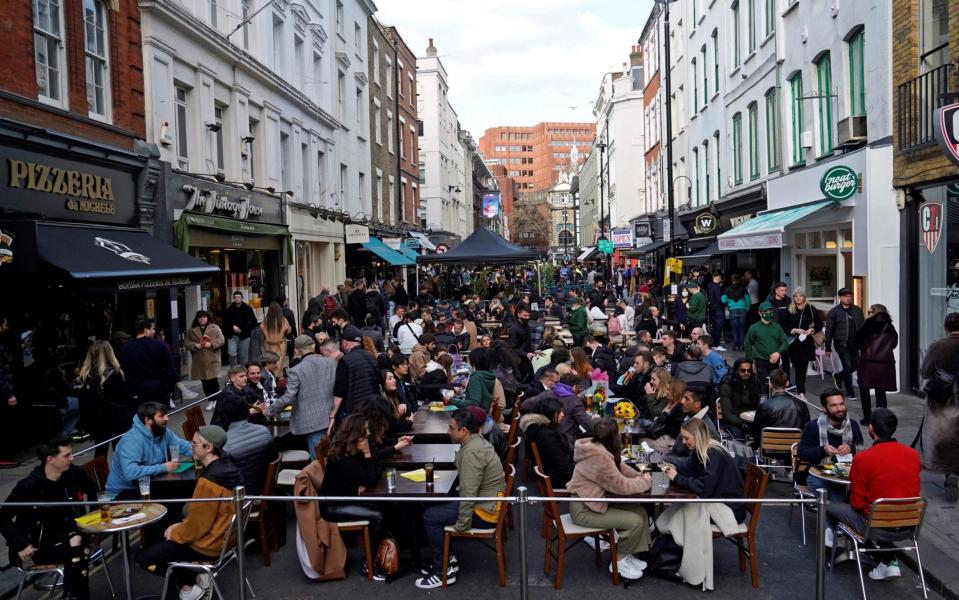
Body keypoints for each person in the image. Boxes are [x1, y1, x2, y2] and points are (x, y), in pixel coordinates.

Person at [135, 425, 244, 600]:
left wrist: (175, 532)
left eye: (194, 444)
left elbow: (197, 527)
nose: (190, 445)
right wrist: (181, 526)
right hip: (225, 540)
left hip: (208, 545)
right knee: (163, 540)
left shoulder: (209, 482)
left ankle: (189, 585)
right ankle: (192, 577)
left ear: (208, 448)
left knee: (143, 557)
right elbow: (203, 519)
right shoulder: (230, 469)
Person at [824, 408, 920, 580]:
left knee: (829, 507)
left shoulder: (863, 459)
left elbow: (858, 504)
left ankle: (832, 546)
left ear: (871, 429)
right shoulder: (913, 455)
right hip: (909, 523)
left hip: (875, 524)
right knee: (878, 513)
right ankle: (888, 561)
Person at [417, 409, 506, 589]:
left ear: (464, 431)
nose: (448, 432)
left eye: (451, 428)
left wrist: (462, 525)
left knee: (431, 516)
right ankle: (445, 558)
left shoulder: (471, 453)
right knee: (430, 505)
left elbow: (468, 493)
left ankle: (443, 570)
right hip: (486, 502)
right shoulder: (475, 443)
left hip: (484, 512)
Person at [0, 436, 97, 600]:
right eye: (66, 456)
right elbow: (2, 517)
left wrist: (94, 519)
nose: (72, 458)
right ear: (50, 459)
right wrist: (21, 544)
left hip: (72, 534)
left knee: (78, 543)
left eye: (71, 454)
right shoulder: (28, 486)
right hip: (39, 545)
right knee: (80, 548)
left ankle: (72, 596)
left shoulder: (75, 474)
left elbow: (93, 492)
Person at [660, 419, 746, 590]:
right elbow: (691, 470)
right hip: (724, 501)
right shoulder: (704, 448)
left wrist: (677, 477)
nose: (684, 442)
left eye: (686, 438)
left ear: (697, 436)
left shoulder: (713, 454)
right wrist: (674, 467)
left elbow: (704, 489)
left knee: (686, 511)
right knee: (684, 510)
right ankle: (674, 557)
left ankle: (685, 564)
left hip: (731, 509)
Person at [566, 418, 652, 580]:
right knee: (635, 521)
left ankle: (627, 553)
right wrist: (646, 481)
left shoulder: (598, 447)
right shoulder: (599, 458)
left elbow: (621, 468)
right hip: (584, 510)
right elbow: (622, 486)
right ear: (614, 437)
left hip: (590, 502)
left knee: (640, 511)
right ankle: (618, 561)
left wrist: (640, 475)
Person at [319, 414, 389, 580]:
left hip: (347, 496)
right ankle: (368, 563)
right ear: (355, 436)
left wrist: (365, 476)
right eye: (365, 434)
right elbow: (371, 477)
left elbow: (377, 471)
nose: (368, 436)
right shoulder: (343, 458)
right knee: (378, 515)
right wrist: (367, 456)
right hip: (333, 506)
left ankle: (384, 549)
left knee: (386, 506)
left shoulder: (351, 450)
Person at [265, 335, 337, 458]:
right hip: (332, 415)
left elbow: (288, 397)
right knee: (332, 457)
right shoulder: (331, 362)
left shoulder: (296, 370)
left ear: (297, 350)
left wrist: (269, 410)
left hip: (311, 421)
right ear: (314, 346)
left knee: (318, 461)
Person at [105, 402, 192, 498]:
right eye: (162, 416)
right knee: (180, 495)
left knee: (186, 490)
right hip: (124, 493)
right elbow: (130, 472)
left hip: (149, 485)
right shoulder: (131, 440)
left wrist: (204, 451)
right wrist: (164, 467)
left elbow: (183, 445)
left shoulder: (162, 431)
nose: (167, 418)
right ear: (148, 420)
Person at [919, 313, 959, 502]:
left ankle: (951, 473)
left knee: (946, 440)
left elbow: (925, 372)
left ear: (946, 327)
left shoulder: (938, 346)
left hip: (944, 401)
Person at [798, 388, 864, 499]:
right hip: (819, 474)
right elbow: (803, 453)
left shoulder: (853, 425)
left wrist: (851, 448)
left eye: (841, 404)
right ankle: (840, 513)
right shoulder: (813, 427)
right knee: (833, 492)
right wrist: (823, 450)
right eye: (834, 405)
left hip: (848, 474)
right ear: (824, 409)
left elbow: (861, 450)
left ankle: (838, 512)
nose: (840, 409)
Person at [75, 340, 131, 458]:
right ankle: (122, 475)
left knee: (100, 452)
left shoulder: (86, 377)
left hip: (97, 421)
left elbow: (84, 401)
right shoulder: (115, 374)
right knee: (122, 452)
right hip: (117, 418)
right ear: (110, 353)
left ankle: (100, 475)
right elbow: (125, 396)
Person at [522, 372, 595, 450]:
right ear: (574, 386)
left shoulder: (547, 394)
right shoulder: (574, 401)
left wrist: (541, 419)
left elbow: (525, 405)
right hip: (567, 442)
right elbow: (588, 425)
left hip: (545, 438)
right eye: (578, 387)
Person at [221, 399, 278, 496]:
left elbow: (226, 477)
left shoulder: (226, 443)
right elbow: (274, 457)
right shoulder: (263, 431)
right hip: (268, 486)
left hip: (244, 495)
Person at [331, 326, 382, 430]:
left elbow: (339, 392)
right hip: (374, 409)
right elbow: (380, 380)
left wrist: (332, 416)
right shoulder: (371, 357)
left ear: (345, 343)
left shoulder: (345, 360)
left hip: (356, 412)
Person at [854, 304, 898, 425]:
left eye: (869, 312)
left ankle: (867, 418)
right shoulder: (890, 327)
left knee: (864, 391)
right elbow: (894, 344)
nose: (867, 314)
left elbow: (857, 341)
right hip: (885, 364)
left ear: (875, 312)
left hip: (868, 363)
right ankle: (881, 419)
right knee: (881, 392)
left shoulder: (868, 325)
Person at [120, 319, 178, 408]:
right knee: (158, 417)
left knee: (142, 419)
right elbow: (170, 369)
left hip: (138, 392)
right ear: (146, 330)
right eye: (152, 329)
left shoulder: (126, 348)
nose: (154, 331)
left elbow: (125, 371)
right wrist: (168, 387)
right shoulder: (159, 345)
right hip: (159, 390)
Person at [520, 397, 574, 488]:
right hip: (559, 478)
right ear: (549, 414)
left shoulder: (539, 427)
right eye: (559, 412)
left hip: (553, 472)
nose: (563, 414)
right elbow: (563, 465)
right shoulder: (546, 435)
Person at [824, 288, 865, 400]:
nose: (848, 298)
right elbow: (829, 330)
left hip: (855, 344)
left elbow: (863, 328)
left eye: (849, 296)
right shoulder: (834, 312)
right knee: (847, 365)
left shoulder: (857, 310)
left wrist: (864, 343)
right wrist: (828, 347)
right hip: (841, 343)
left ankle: (838, 376)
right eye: (845, 296)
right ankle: (850, 391)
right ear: (840, 298)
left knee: (855, 365)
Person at [783, 289, 821, 400]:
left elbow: (818, 324)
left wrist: (811, 330)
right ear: (793, 298)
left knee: (803, 366)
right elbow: (783, 326)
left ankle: (800, 388)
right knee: (798, 366)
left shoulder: (810, 309)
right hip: (794, 342)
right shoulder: (789, 310)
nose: (798, 298)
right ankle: (801, 392)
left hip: (807, 342)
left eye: (801, 295)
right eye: (796, 296)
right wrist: (794, 330)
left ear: (804, 297)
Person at [666, 390, 719, 468]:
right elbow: (677, 449)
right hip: (679, 461)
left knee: (655, 474)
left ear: (697, 404)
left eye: (687, 399)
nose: (682, 401)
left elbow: (695, 461)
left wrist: (668, 459)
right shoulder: (691, 416)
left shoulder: (703, 426)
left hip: (690, 470)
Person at [184, 310, 225, 408]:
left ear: (208, 318)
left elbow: (222, 340)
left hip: (212, 358)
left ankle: (215, 400)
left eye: (204, 317)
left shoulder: (215, 328)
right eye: (200, 317)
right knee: (204, 381)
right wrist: (195, 345)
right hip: (199, 360)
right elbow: (186, 343)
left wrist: (211, 344)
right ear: (197, 319)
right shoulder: (192, 330)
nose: (202, 319)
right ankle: (210, 399)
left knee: (213, 380)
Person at [752, 369, 810, 436]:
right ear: (787, 383)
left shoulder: (764, 405)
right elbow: (807, 427)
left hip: (770, 444)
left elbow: (756, 430)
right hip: (794, 444)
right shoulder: (800, 404)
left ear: (770, 384)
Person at [745, 302, 789, 385]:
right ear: (760, 313)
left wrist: (778, 352)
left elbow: (785, 342)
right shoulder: (754, 328)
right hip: (760, 360)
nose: (769, 313)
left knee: (775, 383)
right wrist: (751, 363)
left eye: (770, 311)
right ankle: (764, 397)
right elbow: (748, 345)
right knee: (764, 383)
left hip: (774, 361)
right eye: (766, 311)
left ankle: (772, 397)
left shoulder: (777, 327)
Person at [719, 358, 762, 441]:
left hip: (751, 419)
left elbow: (759, 405)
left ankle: (753, 451)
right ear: (736, 371)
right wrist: (742, 424)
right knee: (739, 439)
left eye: (749, 371)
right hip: (734, 420)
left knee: (764, 435)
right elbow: (727, 414)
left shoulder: (754, 382)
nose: (746, 373)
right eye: (742, 370)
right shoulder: (727, 385)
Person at [455, 348, 504, 413]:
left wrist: (451, 400)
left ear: (475, 362)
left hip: (478, 417)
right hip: (485, 414)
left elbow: (474, 402)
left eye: (469, 361)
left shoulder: (476, 378)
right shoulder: (489, 376)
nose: (468, 364)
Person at [223, 291, 258, 367]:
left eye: (239, 297)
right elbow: (225, 322)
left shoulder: (248, 308)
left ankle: (243, 373)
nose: (237, 299)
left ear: (242, 298)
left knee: (244, 356)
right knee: (231, 354)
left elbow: (254, 322)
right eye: (235, 297)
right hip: (232, 335)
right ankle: (235, 371)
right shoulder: (229, 309)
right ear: (233, 299)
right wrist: (232, 327)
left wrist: (243, 329)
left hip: (244, 335)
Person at [260, 302, 292, 379]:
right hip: (280, 344)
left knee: (269, 361)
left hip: (268, 344)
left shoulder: (266, 320)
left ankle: (270, 377)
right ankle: (278, 377)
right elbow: (289, 330)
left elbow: (261, 328)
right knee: (279, 362)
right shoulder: (283, 320)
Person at [722, 274, 750, 351]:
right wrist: (747, 308)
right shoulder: (743, 288)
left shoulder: (727, 289)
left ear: (732, 279)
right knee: (742, 328)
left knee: (734, 328)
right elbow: (748, 299)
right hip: (742, 310)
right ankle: (742, 345)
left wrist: (728, 300)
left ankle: (736, 345)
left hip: (733, 310)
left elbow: (723, 300)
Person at [706, 272, 726, 350]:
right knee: (719, 326)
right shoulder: (717, 287)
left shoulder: (710, 285)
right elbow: (719, 298)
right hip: (718, 308)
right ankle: (716, 344)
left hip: (712, 308)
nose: (721, 279)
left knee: (714, 327)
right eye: (720, 278)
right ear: (717, 277)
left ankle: (714, 344)